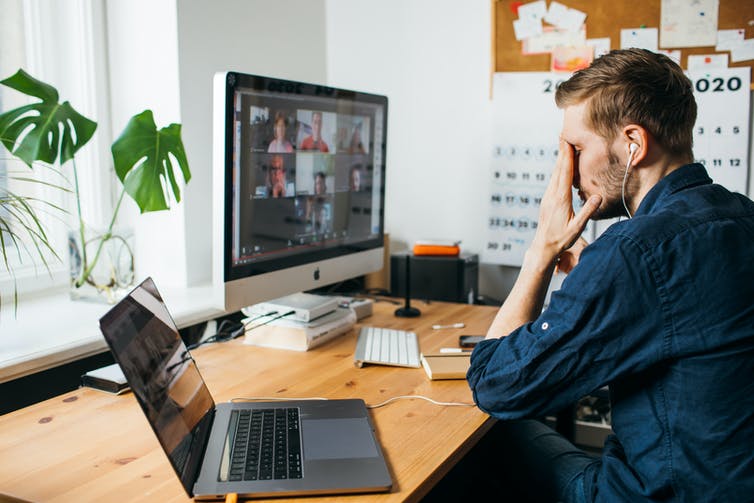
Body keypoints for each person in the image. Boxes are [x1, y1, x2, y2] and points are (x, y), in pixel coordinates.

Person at [466, 48, 754, 502]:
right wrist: (596, 279)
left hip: (653, 494)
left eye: (575, 149)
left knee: (485, 439)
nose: (569, 170)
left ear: (633, 144)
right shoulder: (741, 216)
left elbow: (495, 385)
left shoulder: (634, 252)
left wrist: (542, 251)